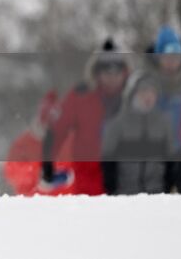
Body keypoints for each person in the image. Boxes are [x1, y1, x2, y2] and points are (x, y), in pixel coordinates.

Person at [42, 40, 130, 195]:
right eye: (106, 71)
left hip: (131, 187)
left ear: (125, 73)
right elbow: (56, 130)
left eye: (117, 71)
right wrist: (48, 167)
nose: (112, 76)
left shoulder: (137, 97)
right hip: (89, 190)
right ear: (97, 73)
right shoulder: (80, 97)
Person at [101, 71, 181, 195]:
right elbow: (107, 162)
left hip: (157, 195)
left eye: (152, 92)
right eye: (143, 91)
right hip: (125, 196)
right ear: (132, 94)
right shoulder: (117, 124)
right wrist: (112, 191)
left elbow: (173, 161)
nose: (148, 96)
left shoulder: (165, 123)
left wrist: (170, 188)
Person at [147, 25, 181, 193]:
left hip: (177, 150)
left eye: (176, 57)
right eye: (167, 57)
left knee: (180, 198)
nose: (172, 62)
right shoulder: (146, 80)